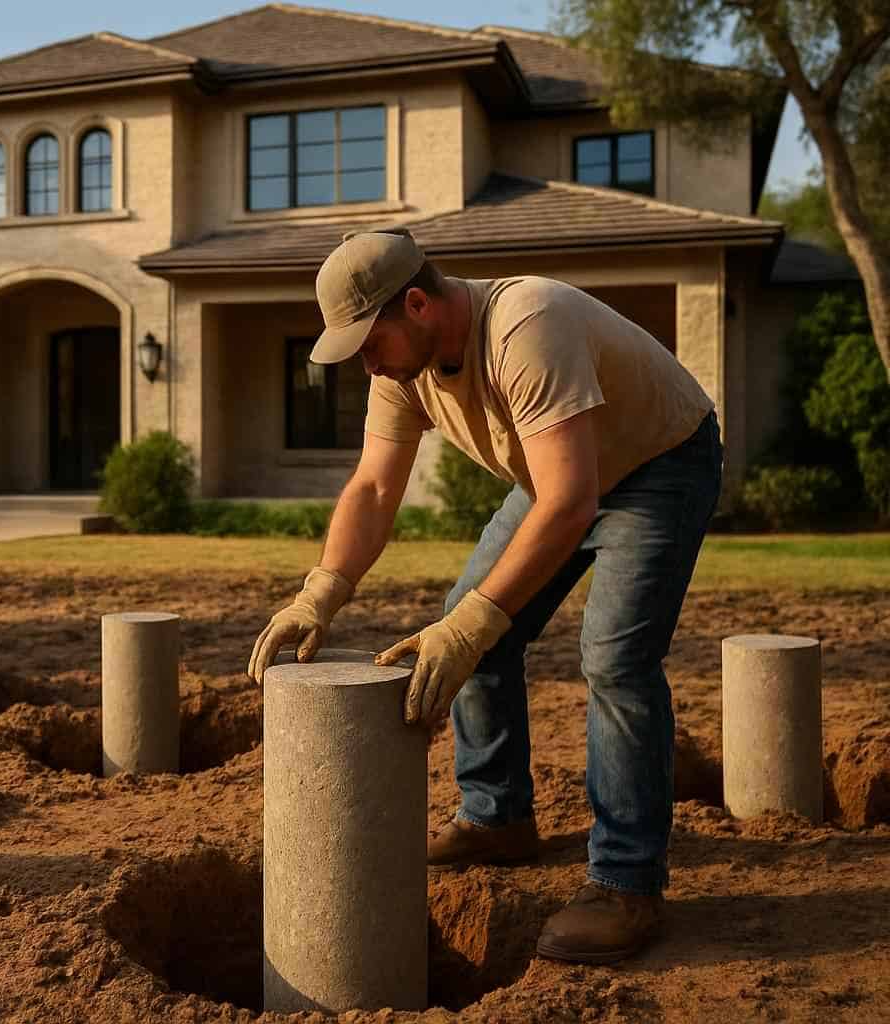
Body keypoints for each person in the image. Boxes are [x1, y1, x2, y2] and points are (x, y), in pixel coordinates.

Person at [247, 228, 723, 965]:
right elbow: (373, 487)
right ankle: (497, 818)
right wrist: (322, 591)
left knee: (613, 658)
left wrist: (477, 623)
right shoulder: (401, 371)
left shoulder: (525, 326)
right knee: (465, 621)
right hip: (558, 475)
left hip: (659, 463)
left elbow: (570, 503)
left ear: (417, 304)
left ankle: (626, 882)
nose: (367, 364)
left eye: (370, 342)